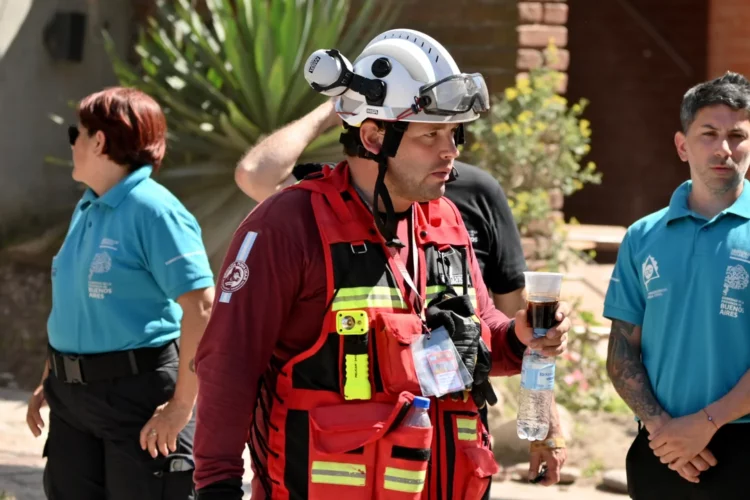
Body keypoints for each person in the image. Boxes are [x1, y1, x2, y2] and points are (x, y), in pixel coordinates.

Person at [193, 29, 571, 500]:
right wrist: (217, 487)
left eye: (454, 133)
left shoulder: (447, 220)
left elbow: (482, 331)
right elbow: (229, 365)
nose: (450, 151)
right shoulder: (287, 225)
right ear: (373, 136)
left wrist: (519, 335)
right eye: (430, 134)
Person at [25, 87, 215, 500]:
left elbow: (201, 306)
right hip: (72, 400)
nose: (72, 143)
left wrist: (182, 407)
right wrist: (51, 376)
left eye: (76, 133)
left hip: (137, 398)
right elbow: (76, 301)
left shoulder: (155, 210)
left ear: (99, 140)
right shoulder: (89, 206)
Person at [604, 71, 750, 500]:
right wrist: (666, 432)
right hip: (660, 448)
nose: (724, 149)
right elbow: (621, 352)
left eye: (737, 135)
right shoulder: (642, 236)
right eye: (708, 134)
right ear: (682, 144)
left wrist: (704, 425)